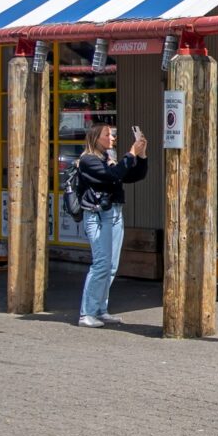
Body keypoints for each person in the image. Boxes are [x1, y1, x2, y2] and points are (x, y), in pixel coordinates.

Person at [71, 120, 147, 327]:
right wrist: (131, 152)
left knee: (111, 266)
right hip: (97, 215)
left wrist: (141, 155)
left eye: (113, 134)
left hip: (114, 212)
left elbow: (133, 175)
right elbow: (111, 175)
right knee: (101, 263)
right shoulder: (88, 160)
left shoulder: (109, 158)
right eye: (108, 135)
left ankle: (100, 309)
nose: (113, 138)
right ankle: (86, 313)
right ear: (96, 138)